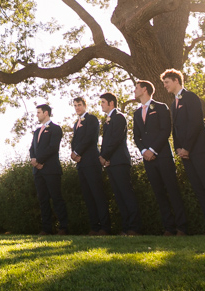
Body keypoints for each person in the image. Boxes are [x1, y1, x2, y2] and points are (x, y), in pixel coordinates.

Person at [162, 69, 205, 235]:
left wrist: (187, 148)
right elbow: (175, 128)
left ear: (176, 80)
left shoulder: (190, 97)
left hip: (200, 150)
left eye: (167, 82)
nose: (165, 86)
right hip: (185, 154)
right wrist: (178, 148)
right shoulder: (173, 103)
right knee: (199, 190)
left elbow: (196, 123)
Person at [133, 80, 187, 236]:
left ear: (144, 90)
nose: (134, 90)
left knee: (172, 190)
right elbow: (137, 136)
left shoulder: (161, 107)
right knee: (159, 193)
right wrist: (143, 150)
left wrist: (152, 150)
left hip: (162, 156)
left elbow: (165, 130)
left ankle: (182, 227)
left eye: (136, 88)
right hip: (147, 159)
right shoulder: (136, 113)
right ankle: (168, 228)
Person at [98, 92, 140, 236]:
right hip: (110, 163)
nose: (101, 105)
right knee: (119, 196)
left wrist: (104, 156)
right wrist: (103, 158)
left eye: (103, 102)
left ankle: (134, 228)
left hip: (120, 161)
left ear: (111, 103)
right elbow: (105, 142)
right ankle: (125, 227)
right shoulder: (107, 120)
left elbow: (116, 139)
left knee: (127, 194)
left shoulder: (119, 117)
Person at [70, 96, 110, 235]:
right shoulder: (76, 123)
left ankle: (105, 227)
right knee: (88, 196)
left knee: (97, 194)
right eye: (75, 105)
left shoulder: (92, 119)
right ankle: (94, 227)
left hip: (92, 162)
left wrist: (77, 151)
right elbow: (74, 141)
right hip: (81, 164)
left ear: (85, 105)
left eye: (79, 105)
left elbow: (90, 138)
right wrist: (73, 154)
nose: (77, 108)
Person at [29, 103, 68, 236]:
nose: (37, 115)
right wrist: (34, 161)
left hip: (51, 170)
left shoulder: (56, 129)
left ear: (46, 113)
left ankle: (63, 228)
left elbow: (52, 148)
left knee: (56, 198)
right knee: (42, 200)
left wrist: (39, 160)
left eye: (39, 112)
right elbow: (31, 149)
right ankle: (46, 229)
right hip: (38, 171)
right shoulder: (36, 131)